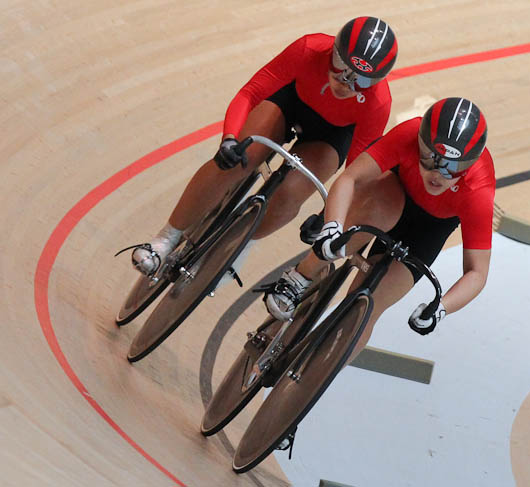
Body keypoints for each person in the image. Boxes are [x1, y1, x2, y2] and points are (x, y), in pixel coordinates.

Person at [130, 17, 398, 282]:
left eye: (361, 80)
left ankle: (240, 246)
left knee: (290, 194)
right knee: (239, 161)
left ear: (376, 81)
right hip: (291, 102)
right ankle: (165, 238)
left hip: (332, 135)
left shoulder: (378, 103)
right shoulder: (309, 49)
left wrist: (327, 217)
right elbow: (250, 93)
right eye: (340, 67)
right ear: (333, 52)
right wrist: (230, 139)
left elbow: (356, 176)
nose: (345, 83)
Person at [264, 97, 494, 356]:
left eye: (453, 167)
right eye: (430, 158)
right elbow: (350, 178)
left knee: (370, 307)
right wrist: (333, 226)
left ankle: (320, 370)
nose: (438, 174)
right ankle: (301, 276)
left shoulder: (479, 189)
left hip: (430, 228)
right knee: (372, 213)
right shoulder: (408, 134)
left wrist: (441, 308)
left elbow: (477, 272)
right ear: (420, 142)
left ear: (469, 164)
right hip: (393, 190)